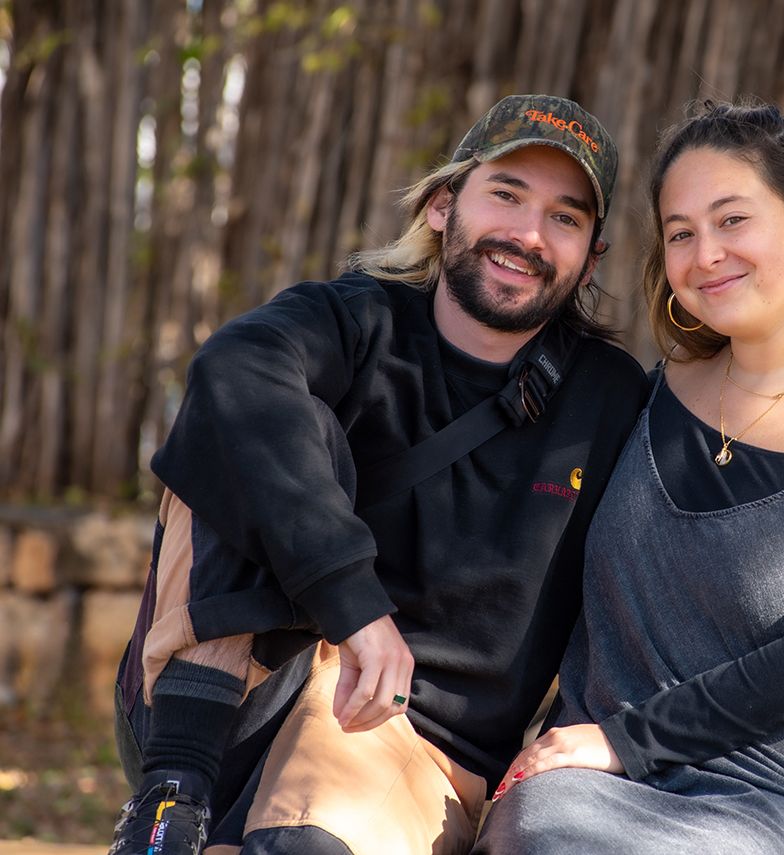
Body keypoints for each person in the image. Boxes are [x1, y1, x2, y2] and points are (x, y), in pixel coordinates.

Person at [108, 94, 649, 855]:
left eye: (565, 217)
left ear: (591, 257)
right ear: (442, 205)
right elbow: (234, 371)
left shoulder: (612, 400)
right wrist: (356, 608)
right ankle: (169, 803)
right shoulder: (358, 318)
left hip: (411, 744)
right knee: (256, 417)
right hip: (236, 696)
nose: (528, 235)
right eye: (506, 194)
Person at [472, 101, 784, 854]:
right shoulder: (650, 393)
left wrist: (627, 739)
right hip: (592, 793)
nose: (706, 254)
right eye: (681, 233)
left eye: (732, 220)